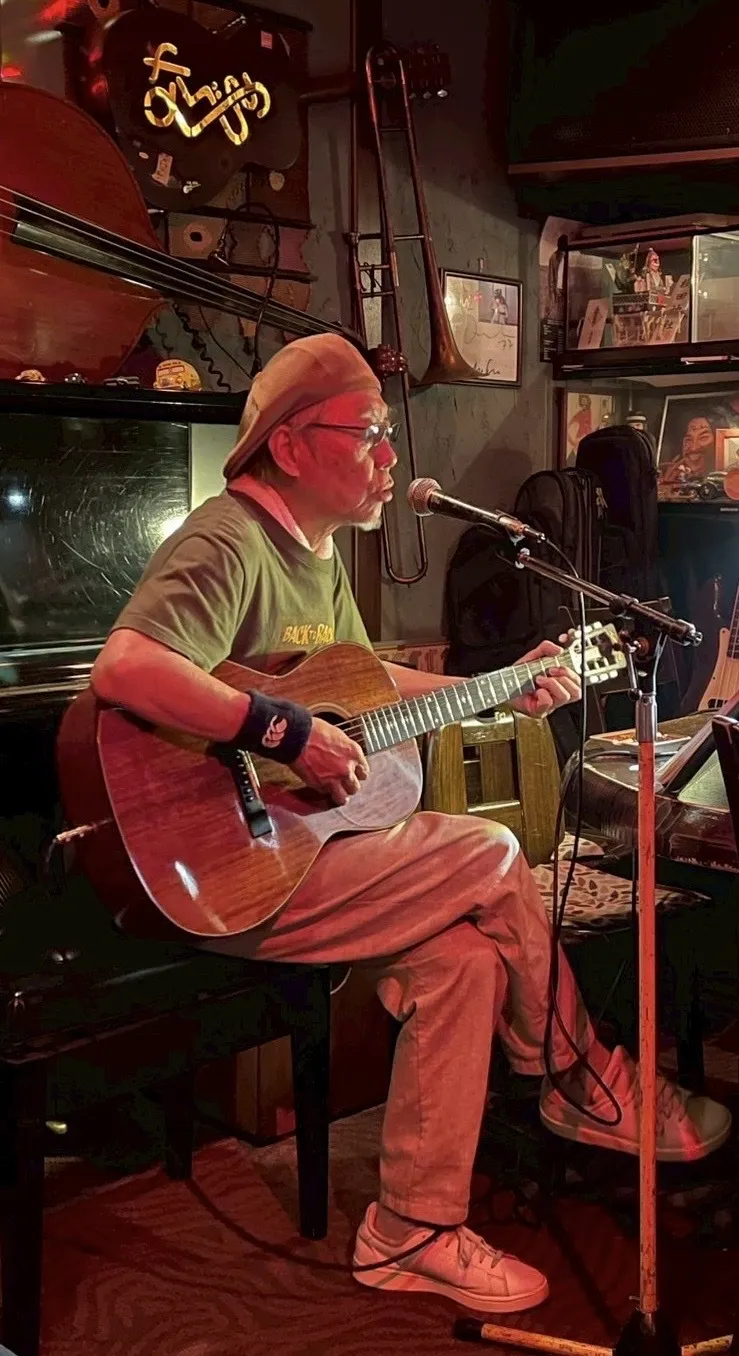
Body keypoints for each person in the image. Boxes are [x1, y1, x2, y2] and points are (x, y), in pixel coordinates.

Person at [91, 334, 730, 1316]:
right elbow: (127, 666)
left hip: (300, 857)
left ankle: (408, 1232)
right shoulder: (228, 539)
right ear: (291, 444)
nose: (390, 458)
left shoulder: (313, 554)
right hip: (224, 865)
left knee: (462, 963)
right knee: (487, 850)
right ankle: (577, 1073)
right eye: (369, 434)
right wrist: (283, 732)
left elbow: (361, 686)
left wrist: (495, 686)